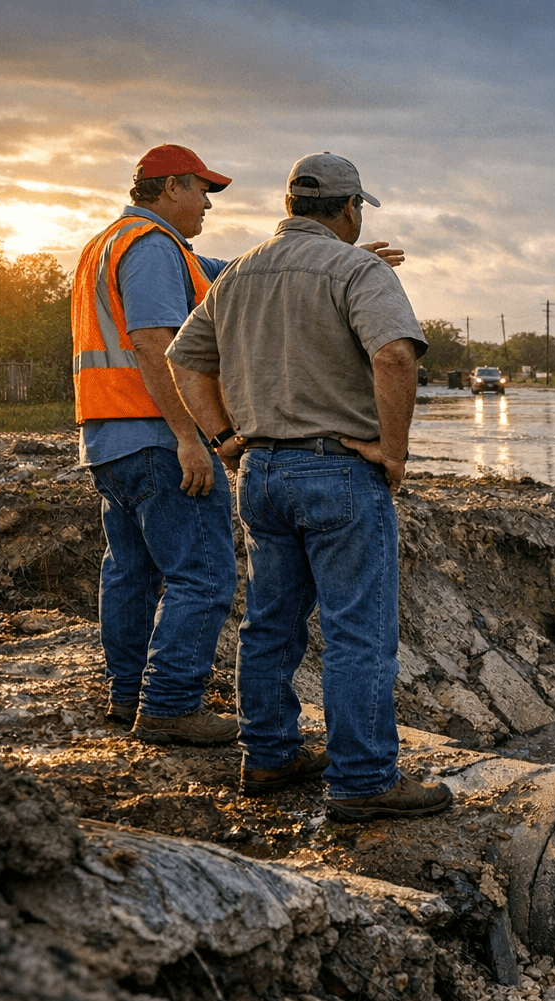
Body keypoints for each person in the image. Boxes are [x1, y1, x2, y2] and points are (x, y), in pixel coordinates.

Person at [168, 152, 452, 820]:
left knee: (270, 623)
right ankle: (362, 781)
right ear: (350, 208)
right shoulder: (358, 268)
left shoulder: (237, 272)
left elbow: (185, 358)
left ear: (291, 204)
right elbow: (393, 354)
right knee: (358, 634)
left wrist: (224, 439)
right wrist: (393, 449)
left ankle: (268, 754)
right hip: (338, 473)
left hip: (261, 472)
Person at [71, 144, 241, 746]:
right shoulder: (153, 248)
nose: (207, 204)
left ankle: (127, 698)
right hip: (155, 438)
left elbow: (227, 271)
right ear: (171, 188)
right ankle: (168, 706)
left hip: (108, 437)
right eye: (202, 190)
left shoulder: (110, 242)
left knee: (131, 573)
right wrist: (188, 438)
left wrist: (319, 254)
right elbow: (152, 343)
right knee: (204, 573)